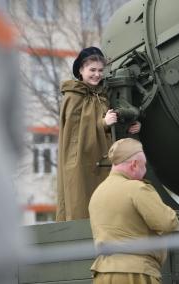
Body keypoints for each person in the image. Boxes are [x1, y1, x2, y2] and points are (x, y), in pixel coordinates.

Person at [56, 46, 141, 221]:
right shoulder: (73, 96)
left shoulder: (103, 95)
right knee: (82, 203)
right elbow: (74, 136)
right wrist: (102, 123)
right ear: (81, 70)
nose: (97, 74)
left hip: (104, 159)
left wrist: (133, 125)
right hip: (81, 163)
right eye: (92, 70)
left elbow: (117, 119)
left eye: (100, 70)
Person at [89, 138, 179, 284]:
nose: (144, 171)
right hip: (136, 274)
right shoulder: (137, 188)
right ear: (134, 164)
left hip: (103, 274)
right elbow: (168, 223)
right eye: (144, 166)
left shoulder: (97, 193)